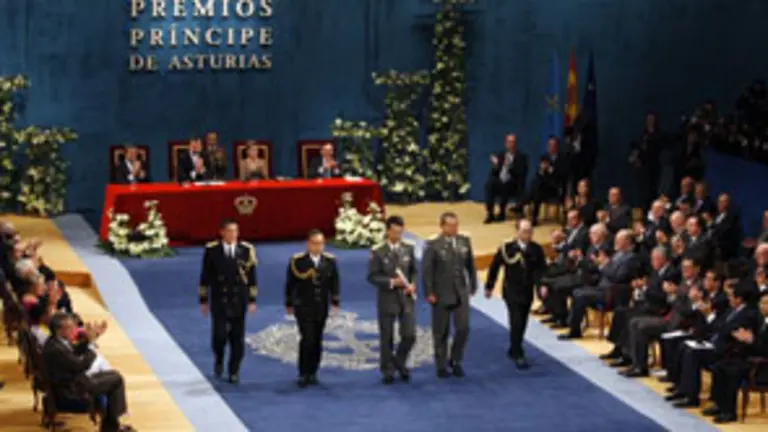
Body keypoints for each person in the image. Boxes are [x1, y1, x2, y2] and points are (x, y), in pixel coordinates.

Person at [43, 313, 132, 432]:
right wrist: (91, 347)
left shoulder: (56, 341)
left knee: (113, 375)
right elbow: (80, 366)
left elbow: (75, 351)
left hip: (73, 383)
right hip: (72, 390)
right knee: (116, 380)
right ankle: (112, 425)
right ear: (59, 330)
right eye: (70, 327)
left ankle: (112, 424)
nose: (74, 330)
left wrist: (90, 339)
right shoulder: (56, 349)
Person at [199, 219, 258, 384]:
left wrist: (252, 299)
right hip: (220, 299)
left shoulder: (246, 250)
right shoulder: (212, 250)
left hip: (239, 298)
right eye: (230, 231)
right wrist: (203, 299)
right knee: (219, 335)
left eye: (236, 231)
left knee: (237, 338)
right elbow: (205, 276)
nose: (233, 235)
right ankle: (219, 358)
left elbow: (252, 276)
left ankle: (234, 370)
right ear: (222, 232)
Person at [421, 212, 477, 378]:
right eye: (451, 225)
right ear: (443, 226)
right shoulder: (433, 245)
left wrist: (473, 284)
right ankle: (441, 365)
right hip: (441, 293)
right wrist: (429, 292)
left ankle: (455, 359)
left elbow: (470, 265)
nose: (454, 228)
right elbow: (427, 270)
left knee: (463, 328)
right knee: (441, 332)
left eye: (456, 225)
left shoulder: (464, 241)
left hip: (461, 292)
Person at [484, 219, 546, 369]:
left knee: (523, 321)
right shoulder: (507, 248)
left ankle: (514, 347)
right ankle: (518, 353)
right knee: (516, 320)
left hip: (527, 290)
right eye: (525, 231)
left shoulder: (536, 249)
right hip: (511, 290)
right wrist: (489, 286)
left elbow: (541, 270)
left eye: (530, 231)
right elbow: (495, 266)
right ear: (517, 232)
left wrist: (541, 286)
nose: (528, 234)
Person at [285, 229, 341, 388]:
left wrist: (335, 301)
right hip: (304, 306)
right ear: (308, 244)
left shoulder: (329, 261)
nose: (318, 247)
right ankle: (303, 372)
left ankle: (313, 372)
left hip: (321, 306)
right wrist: (289, 303)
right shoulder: (298, 261)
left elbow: (334, 282)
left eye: (321, 244)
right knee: (307, 339)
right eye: (315, 243)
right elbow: (291, 284)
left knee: (317, 339)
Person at [367, 215, 417, 384]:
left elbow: (413, 271)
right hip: (387, 299)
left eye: (400, 232)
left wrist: (413, 284)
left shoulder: (408, 248)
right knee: (386, 336)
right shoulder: (378, 251)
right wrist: (390, 282)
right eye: (395, 232)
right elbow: (372, 277)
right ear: (388, 231)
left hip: (406, 298)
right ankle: (387, 370)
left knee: (410, 335)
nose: (398, 235)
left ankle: (399, 361)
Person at [707, 291, 768, 423]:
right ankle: (720, 405)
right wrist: (745, 341)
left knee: (732, 371)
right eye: (761, 303)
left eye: (765, 303)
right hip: (749, 358)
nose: (762, 306)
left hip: (762, 366)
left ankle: (730, 412)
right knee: (720, 366)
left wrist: (752, 341)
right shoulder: (760, 319)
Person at [484, 134, 528, 223]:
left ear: (516, 144)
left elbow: (521, 174)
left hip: (514, 183)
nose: (511, 144)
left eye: (513, 142)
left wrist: (509, 166)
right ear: (505, 143)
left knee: (505, 184)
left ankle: (502, 213)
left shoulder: (521, 157)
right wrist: (496, 165)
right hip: (500, 181)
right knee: (489, 185)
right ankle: (490, 213)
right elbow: (495, 172)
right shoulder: (501, 155)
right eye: (509, 142)